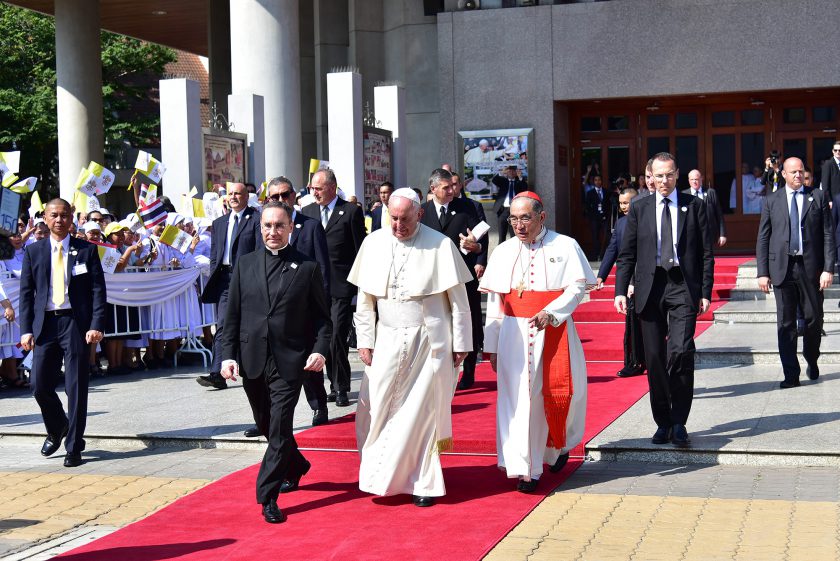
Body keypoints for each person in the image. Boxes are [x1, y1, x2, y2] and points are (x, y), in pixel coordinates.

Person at [349, 188, 473, 507]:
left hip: (429, 341)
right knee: (376, 408)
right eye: (393, 218)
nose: (398, 225)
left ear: (419, 214)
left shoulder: (441, 245)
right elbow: (364, 303)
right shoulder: (374, 243)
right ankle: (380, 476)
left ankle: (423, 483)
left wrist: (461, 344)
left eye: (404, 218)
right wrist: (365, 340)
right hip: (387, 338)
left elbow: (459, 304)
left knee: (422, 415)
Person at [220, 201, 331, 524]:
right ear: (260, 228)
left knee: (281, 425)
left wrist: (320, 349)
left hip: (289, 360)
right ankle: (297, 465)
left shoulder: (306, 267)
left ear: (290, 228)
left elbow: (323, 319)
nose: (272, 231)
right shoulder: (245, 264)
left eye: (279, 225)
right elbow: (233, 316)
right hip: (252, 357)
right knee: (267, 424)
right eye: (267, 226)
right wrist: (227, 356)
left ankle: (267, 495)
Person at [481, 192, 594, 492]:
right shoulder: (503, 251)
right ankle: (526, 469)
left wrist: (553, 312)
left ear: (541, 217)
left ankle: (557, 446)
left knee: (560, 395)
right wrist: (490, 345)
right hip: (513, 336)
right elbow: (495, 302)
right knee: (518, 400)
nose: (519, 225)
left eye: (525, 218)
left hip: (554, 332)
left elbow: (577, 288)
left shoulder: (565, 245)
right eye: (513, 219)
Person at [614, 152, 714, 448]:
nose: (664, 180)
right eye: (658, 175)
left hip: (682, 286)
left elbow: (706, 253)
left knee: (680, 352)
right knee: (655, 358)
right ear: (650, 177)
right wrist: (621, 289)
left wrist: (705, 292)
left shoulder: (694, 206)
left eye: (669, 174)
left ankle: (680, 420)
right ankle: (663, 422)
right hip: (650, 287)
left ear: (677, 174)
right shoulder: (640, 208)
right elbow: (627, 253)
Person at [19, 198, 107, 467]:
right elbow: (26, 294)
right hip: (45, 325)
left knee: (76, 386)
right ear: (45, 218)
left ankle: (73, 446)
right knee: (38, 385)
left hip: (75, 325)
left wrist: (96, 324)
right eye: (54, 215)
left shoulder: (86, 250)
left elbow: (98, 290)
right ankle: (58, 426)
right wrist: (25, 330)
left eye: (65, 215)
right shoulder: (33, 252)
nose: (59, 220)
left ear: (72, 218)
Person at [756, 157, 834, 388]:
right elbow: (763, 237)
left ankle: (812, 358)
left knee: (813, 320)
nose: (798, 175)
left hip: (810, 268)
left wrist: (828, 268)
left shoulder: (817, 197)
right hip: (782, 268)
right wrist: (762, 272)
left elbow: (828, 234)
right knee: (786, 323)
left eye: (801, 171)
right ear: (785, 175)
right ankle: (791, 373)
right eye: (793, 172)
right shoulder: (771, 200)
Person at [302, 169, 366, 407]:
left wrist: (360, 287)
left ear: (332, 187)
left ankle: (341, 387)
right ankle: (330, 385)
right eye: (312, 188)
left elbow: (361, 249)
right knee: (322, 338)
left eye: (318, 188)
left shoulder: (350, 212)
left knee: (337, 335)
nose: (314, 192)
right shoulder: (307, 212)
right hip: (314, 286)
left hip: (341, 286)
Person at [420, 168, 486, 390]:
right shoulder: (422, 211)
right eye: (446, 187)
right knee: (439, 323)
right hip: (432, 279)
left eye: (453, 186)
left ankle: (469, 372)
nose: (451, 190)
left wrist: (475, 247)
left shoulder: (468, 208)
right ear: (433, 189)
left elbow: (481, 243)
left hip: (463, 276)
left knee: (468, 322)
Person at [198, 182, 262, 390]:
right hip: (225, 279)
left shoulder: (256, 219)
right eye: (230, 194)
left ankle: (248, 364)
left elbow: (259, 250)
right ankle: (217, 372)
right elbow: (215, 254)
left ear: (246, 196)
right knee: (223, 324)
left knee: (248, 323)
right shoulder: (219, 223)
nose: (233, 197)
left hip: (247, 278)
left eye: (238, 193)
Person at [596, 187, 645, 378]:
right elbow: (613, 250)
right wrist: (602, 275)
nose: (624, 206)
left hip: (645, 279)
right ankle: (633, 362)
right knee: (631, 324)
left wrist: (634, 281)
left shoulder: (647, 221)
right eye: (621, 203)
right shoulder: (621, 223)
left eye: (627, 202)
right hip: (630, 282)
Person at [683, 170, 727, 247]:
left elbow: (719, 215)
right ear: (688, 181)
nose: (694, 182)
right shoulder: (684, 194)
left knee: (708, 257)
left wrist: (722, 234)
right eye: (692, 179)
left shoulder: (711, 193)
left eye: (696, 179)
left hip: (708, 234)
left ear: (701, 179)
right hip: (690, 236)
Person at [492, 165, 528, 244]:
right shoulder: (503, 181)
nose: (511, 172)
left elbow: (525, 188)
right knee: (502, 235)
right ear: (507, 172)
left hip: (515, 212)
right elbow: (494, 180)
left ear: (516, 172)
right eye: (509, 170)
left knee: (514, 236)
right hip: (503, 211)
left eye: (513, 171)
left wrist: (520, 177)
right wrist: (502, 172)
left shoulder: (519, 182)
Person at [583, 174, 610, 260]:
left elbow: (609, 204)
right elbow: (587, 206)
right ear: (593, 182)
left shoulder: (606, 191)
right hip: (595, 219)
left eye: (599, 180)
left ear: (601, 181)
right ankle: (596, 255)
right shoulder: (590, 193)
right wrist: (591, 216)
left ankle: (604, 254)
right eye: (596, 180)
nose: (598, 182)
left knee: (606, 236)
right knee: (595, 237)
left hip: (604, 218)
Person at [819, 140, 840, 206]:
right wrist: (829, 200)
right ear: (832, 151)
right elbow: (825, 184)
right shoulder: (828, 164)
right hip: (834, 201)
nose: (838, 152)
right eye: (835, 150)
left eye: (839, 150)